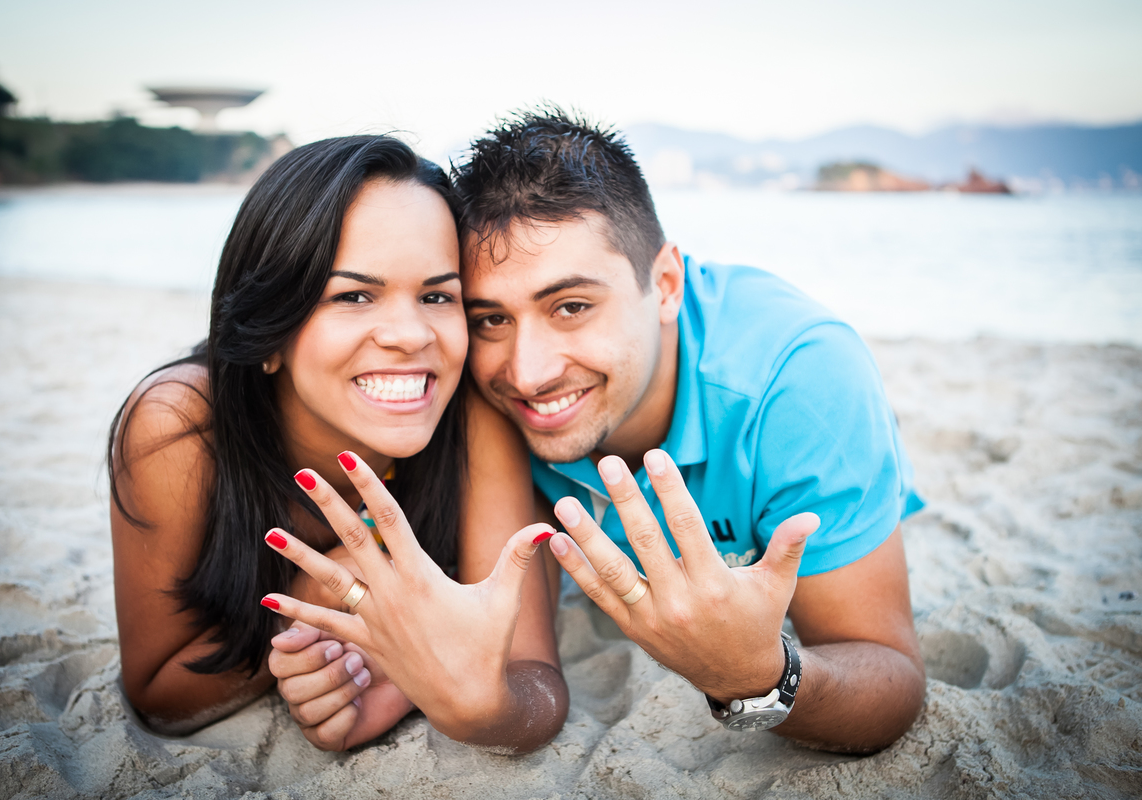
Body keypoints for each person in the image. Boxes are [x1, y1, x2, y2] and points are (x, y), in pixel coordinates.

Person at [449, 108, 927, 752]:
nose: (528, 373)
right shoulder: (480, 379)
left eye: (571, 306)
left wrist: (757, 677)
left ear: (667, 284)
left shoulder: (800, 383)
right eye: (491, 319)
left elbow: (890, 677)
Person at [108, 135, 567, 752]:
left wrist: (461, 700)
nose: (410, 335)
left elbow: (532, 674)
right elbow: (154, 694)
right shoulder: (180, 425)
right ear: (269, 329)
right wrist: (314, 602)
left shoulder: (472, 414)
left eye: (437, 295)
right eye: (353, 295)